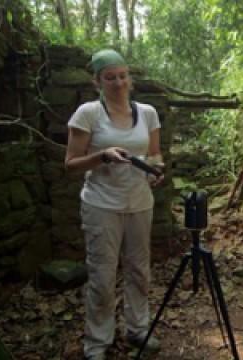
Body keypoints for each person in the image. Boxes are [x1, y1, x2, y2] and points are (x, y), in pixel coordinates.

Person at [65, 49, 164, 360]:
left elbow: (155, 154)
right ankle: (97, 342)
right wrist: (102, 155)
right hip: (101, 205)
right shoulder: (88, 114)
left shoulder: (147, 113)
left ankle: (138, 328)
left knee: (139, 270)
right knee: (103, 276)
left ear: (129, 79)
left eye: (123, 76)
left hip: (139, 203)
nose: (119, 82)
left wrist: (156, 171)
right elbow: (71, 163)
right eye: (110, 78)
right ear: (98, 82)